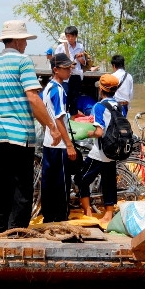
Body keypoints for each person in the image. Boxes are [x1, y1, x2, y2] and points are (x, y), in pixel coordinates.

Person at [0, 19, 61, 233]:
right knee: (22, 187)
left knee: (1, 185)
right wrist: (51, 126)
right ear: (18, 41)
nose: (26, 44)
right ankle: (17, 232)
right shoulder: (23, 62)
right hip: (20, 135)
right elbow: (33, 98)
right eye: (25, 40)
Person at [75, 74, 120, 224]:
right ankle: (108, 214)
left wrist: (91, 133)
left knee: (81, 178)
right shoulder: (119, 106)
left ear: (101, 90)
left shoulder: (99, 106)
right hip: (113, 151)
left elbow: (100, 132)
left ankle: (87, 211)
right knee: (109, 182)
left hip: (100, 152)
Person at [40, 53, 78, 222]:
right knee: (62, 186)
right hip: (59, 145)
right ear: (56, 70)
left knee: (49, 183)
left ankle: (48, 217)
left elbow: (40, 113)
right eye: (66, 68)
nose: (69, 71)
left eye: (70, 67)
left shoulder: (47, 88)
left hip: (48, 142)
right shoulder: (59, 90)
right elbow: (59, 119)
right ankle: (61, 219)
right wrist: (69, 145)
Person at [54, 25, 86, 116]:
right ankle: (63, 118)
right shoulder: (61, 47)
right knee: (64, 97)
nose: (70, 38)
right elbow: (56, 61)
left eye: (72, 36)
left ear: (76, 36)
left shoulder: (80, 46)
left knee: (74, 99)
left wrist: (80, 59)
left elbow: (84, 63)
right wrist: (66, 65)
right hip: (65, 76)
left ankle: (72, 120)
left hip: (76, 75)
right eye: (68, 36)